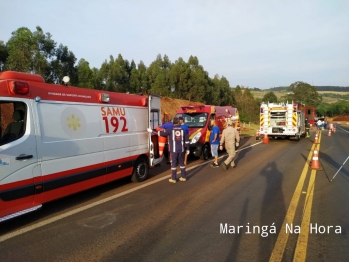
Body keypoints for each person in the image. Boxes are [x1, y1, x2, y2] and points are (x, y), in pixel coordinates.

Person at [152, 117, 189, 183]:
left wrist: (151, 131)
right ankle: (183, 177)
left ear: (173, 123)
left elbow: (160, 133)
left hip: (174, 150)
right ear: (178, 122)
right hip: (181, 150)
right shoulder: (183, 130)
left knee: (174, 164)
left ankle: (173, 178)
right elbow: (187, 141)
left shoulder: (170, 130)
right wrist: (188, 149)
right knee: (182, 163)